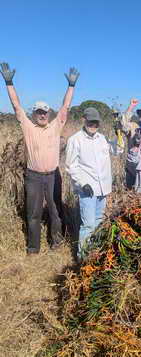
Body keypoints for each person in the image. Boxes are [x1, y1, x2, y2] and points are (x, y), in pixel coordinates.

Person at [0, 62, 79, 254]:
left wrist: (71, 86)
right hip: (33, 176)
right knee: (33, 213)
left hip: (53, 175)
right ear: (34, 114)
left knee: (55, 211)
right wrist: (9, 82)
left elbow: (66, 106)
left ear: (49, 113)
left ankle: (56, 244)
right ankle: (33, 248)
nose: (42, 115)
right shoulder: (28, 127)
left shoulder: (55, 126)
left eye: (45, 112)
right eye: (38, 112)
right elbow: (16, 106)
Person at [65, 107, 123, 261]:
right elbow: (71, 166)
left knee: (99, 223)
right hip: (87, 190)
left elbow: (118, 150)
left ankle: (95, 254)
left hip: (103, 189)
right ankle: (82, 258)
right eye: (90, 122)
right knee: (88, 225)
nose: (93, 125)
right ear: (84, 120)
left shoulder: (102, 138)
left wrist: (119, 134)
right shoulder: (75, 140)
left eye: (96, 122)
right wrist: (82, 183)